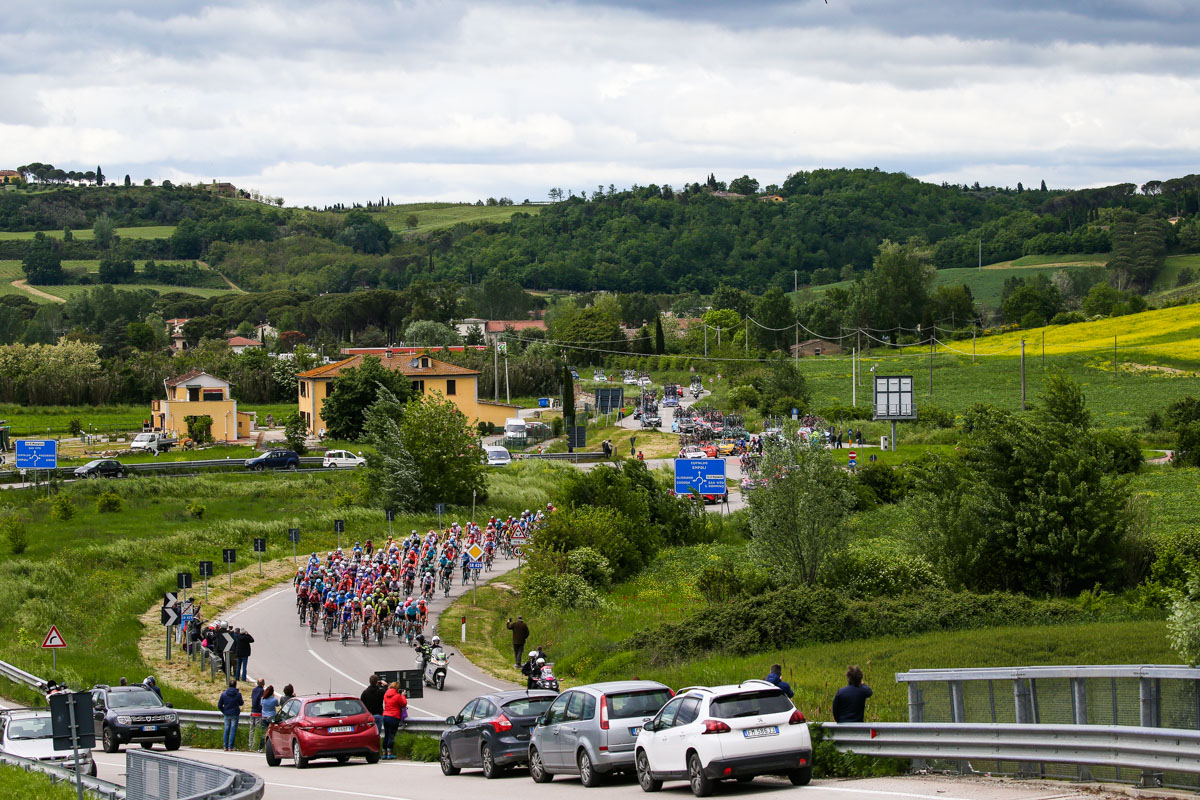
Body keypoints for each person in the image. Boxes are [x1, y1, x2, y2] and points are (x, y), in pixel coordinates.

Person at [381, 682, 407, 760]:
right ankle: (389, 753)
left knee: (386, 734)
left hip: (385, 716)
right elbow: (403, 704)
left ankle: (384, 753)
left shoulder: (385, 694)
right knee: (391, 735)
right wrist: (403, 696)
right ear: (397, 689)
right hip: (394, 717)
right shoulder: (397, 696)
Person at [217, 679, 244, 752]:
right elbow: (241, 703)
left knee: (226, 730)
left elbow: (219, 705)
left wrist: (224, 711)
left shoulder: (224, 694)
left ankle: (225, 746)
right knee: (233, 730)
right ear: (235, 685)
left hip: (227, 713)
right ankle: (230, 747)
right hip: (235, 713)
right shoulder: (238, 694)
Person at [258, 685, 278, 751]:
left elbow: (261, 705)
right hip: (271, 717)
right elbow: (277, 704)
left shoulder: (263, 699)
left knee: (263, 732)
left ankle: (261, 748)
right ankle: (271, 748)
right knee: (272, 732)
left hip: (264, 717)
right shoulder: (274, 699)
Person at [249, 678, 265, 750]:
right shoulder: (262, 691)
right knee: (257, 730)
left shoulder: (254, 690)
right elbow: (261, 702)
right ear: (263, 684)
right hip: (258, 712)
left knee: (251, 729)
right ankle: (255, 745)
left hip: (252, 711)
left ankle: (250, 745)